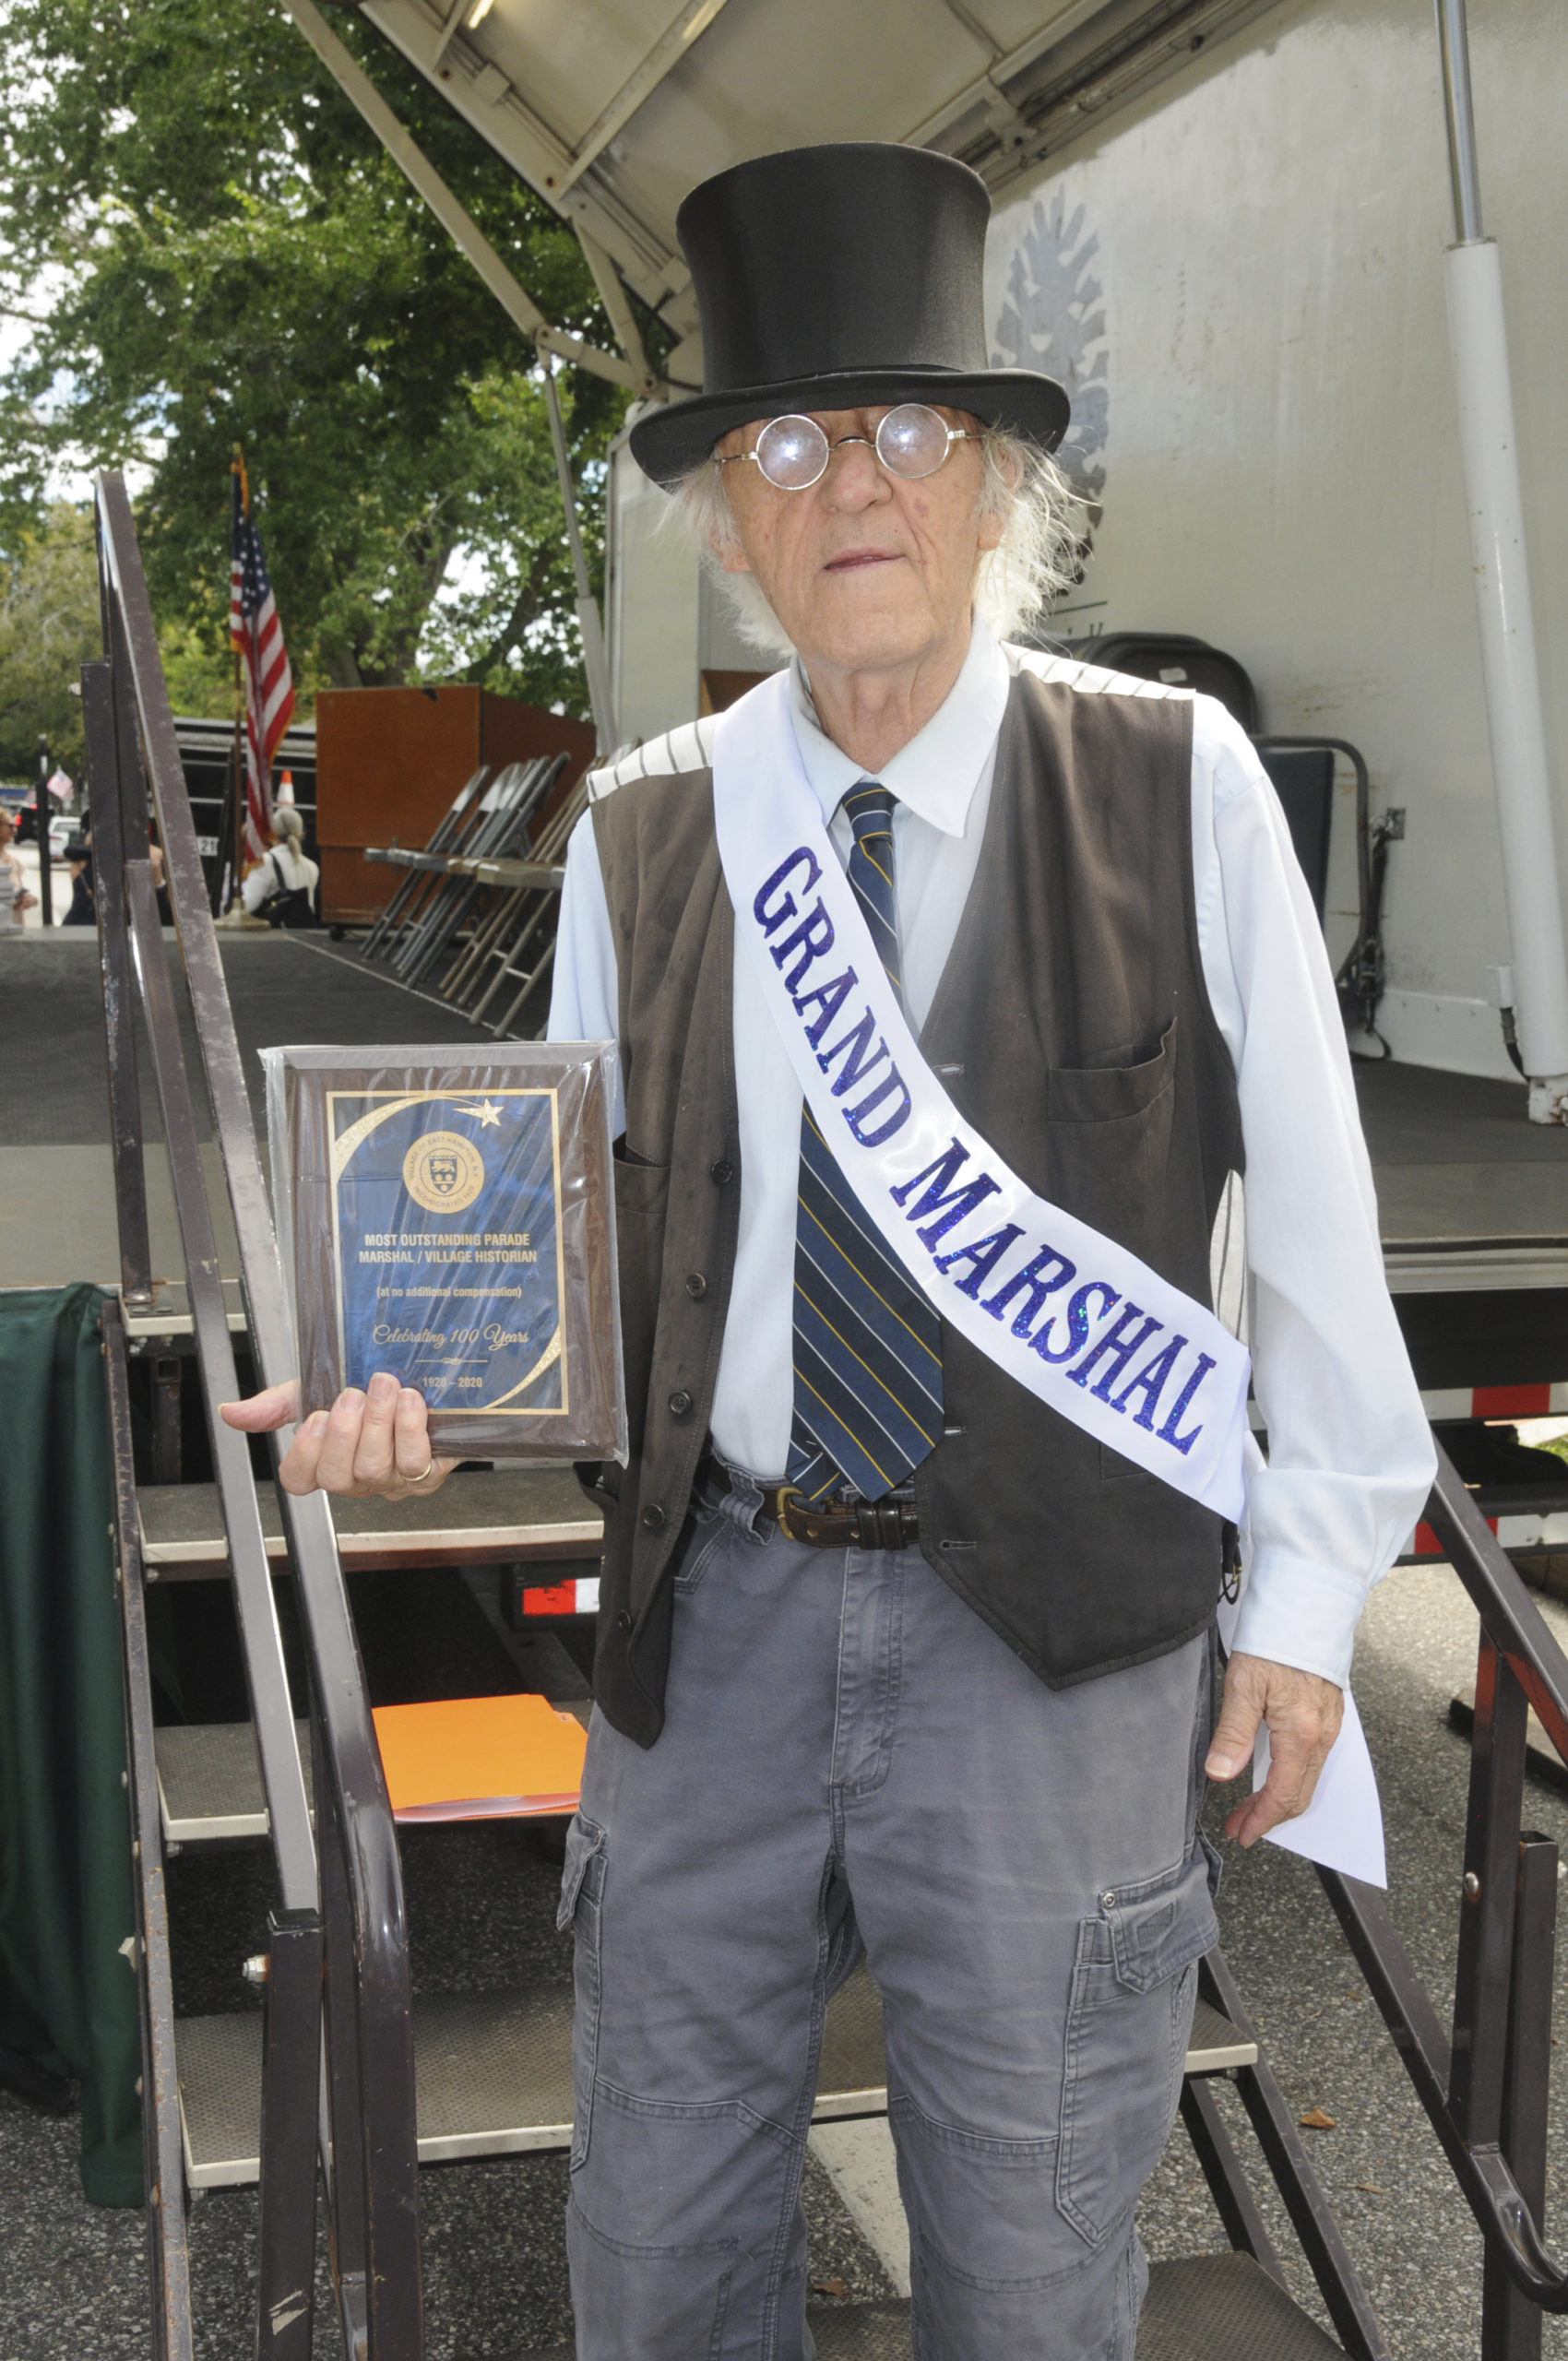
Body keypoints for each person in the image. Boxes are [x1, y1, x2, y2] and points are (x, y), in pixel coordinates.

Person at [224, 144, 1435, 2358]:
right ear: (731, 511)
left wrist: (1296, 1602)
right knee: (660, 2255)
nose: (847, 482)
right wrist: (417, 1394)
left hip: (1056, 1648)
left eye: (904, 431)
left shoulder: (1172, 778)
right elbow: (548, 1219)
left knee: (1034, 2268)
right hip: (721, 1623)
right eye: (784, 439)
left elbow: (1315, 1236)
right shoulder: (649, 820)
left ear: (990, 490)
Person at [241, 803, 319, 926]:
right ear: (300, 833)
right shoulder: (312, 867)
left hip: (271, 938)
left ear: (273, 833)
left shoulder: (264, 862)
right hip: (302, 937)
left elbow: (249, 906)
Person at [0, 806, 38, 930]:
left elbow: (18, 891)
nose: (14, 830)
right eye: (10, 826)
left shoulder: (13, 861)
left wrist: (28, 899)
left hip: (13, 929)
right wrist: (12, 901)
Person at [61, 834, 96, 928]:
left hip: (76, 919)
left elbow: (68, 850)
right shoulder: (82, 861)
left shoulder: (78, 862)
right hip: (95, 918)